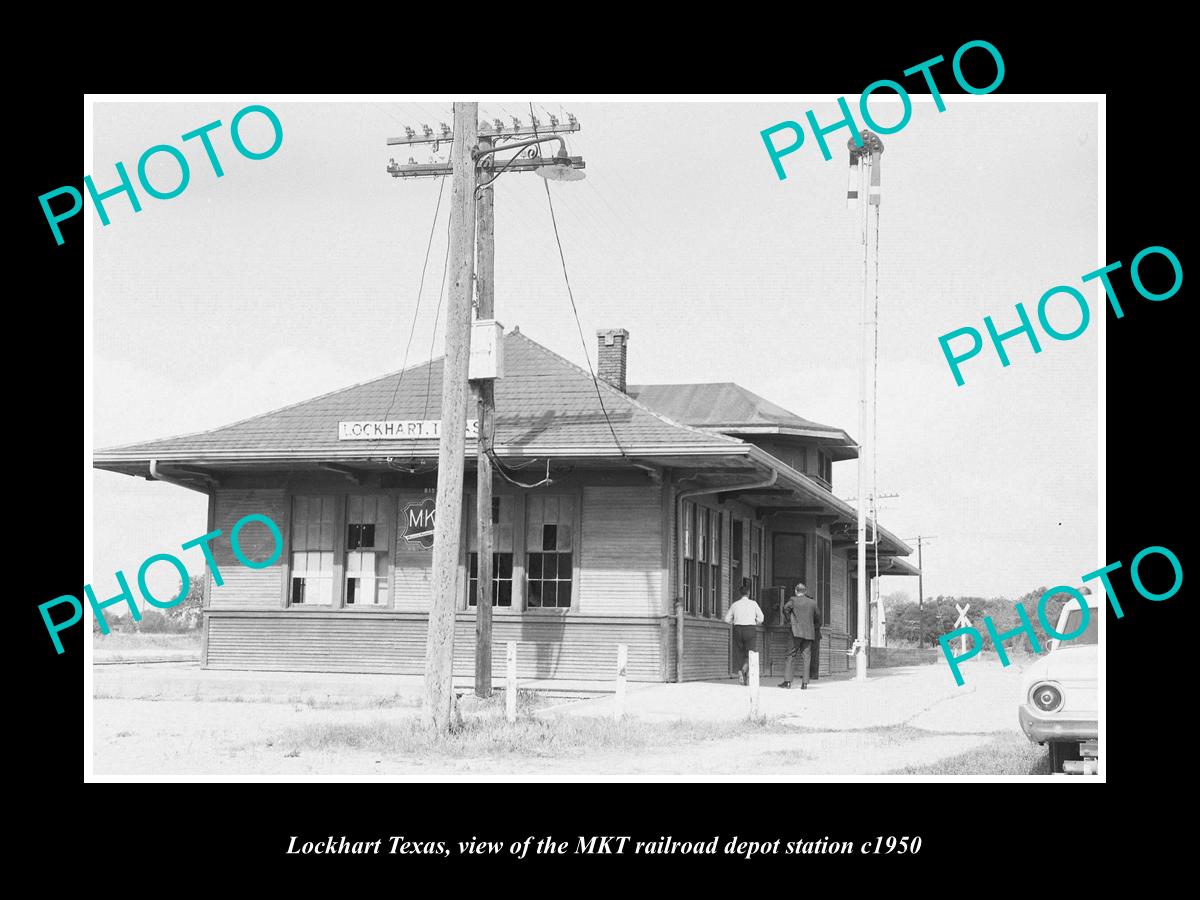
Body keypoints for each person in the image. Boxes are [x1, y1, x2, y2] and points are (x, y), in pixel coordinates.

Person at [780, 581, 822, 689]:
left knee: (790, 655)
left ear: (795, 591)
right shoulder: (813, 603)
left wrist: (790, 621)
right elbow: (818, 617)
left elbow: (785, 608)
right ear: (805, 591)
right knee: (807, 657)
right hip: (809, 633)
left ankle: (788, 681)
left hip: (795, 632)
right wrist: (812, 625)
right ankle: (805, 683)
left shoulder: (793, 600)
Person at [723, 579, 764, 685]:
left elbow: (727, 619)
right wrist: (755, 622)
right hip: (750, 629)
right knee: (750, 653)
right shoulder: (753, 603)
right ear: (749, 593)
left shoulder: (735, 604)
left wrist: (735, 621)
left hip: (737, 629)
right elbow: (761, 618)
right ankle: (743, 671)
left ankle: (742, 675)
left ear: (740, 594)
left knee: (739, 652)